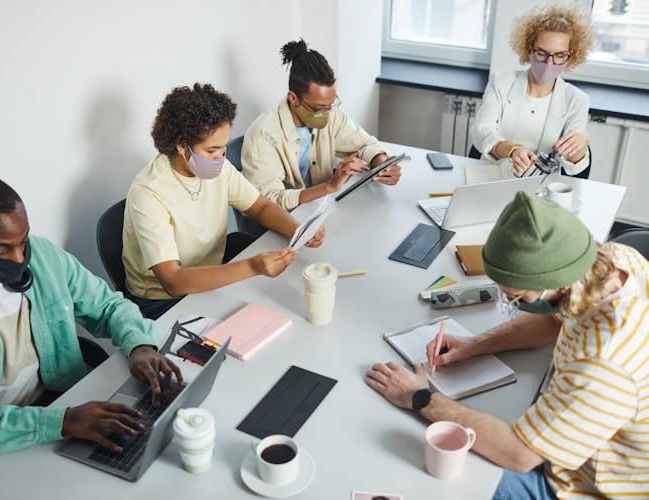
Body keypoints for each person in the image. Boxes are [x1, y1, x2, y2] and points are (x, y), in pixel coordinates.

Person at [366, 191, 649, 498]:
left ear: (560, 282)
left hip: (581, 485)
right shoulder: (614, 258)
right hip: (574, 432)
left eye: (517, 297)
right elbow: (556, 319)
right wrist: (475, 344)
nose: (510, 303)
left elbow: (520, 454)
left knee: (435, 469)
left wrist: (421, 398)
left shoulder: (603, 363)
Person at [0, 176, 182, 483]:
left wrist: (140, 346)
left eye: (23, 242)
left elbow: (109, 306)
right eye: (1, 250)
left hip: (62, 404)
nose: (20, 260)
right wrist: (62, 422)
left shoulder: (45, 256)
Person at [123, 83, 324, 320]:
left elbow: (259, 206)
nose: (220, 156)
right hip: (163, 302)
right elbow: (173, 281)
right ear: (181, 146)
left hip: (209, 275)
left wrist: (299, 231)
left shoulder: (217, 167)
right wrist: (252, 267)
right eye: (211, 150)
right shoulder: (148, 193)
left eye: (224, 148)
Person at [241, 39, 402, 211]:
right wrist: (329, 187)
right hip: (285, 222)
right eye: (319, 108)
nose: (327, 113)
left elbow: (365, 144)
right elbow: (268, 201)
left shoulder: (332, 115)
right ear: (293, 98)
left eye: (330, 105)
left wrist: (383, 165)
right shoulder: (263, 134)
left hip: (322, 209)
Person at [470, 3, 594, 178]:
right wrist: (512, 150)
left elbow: (575, 168)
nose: (549, 63)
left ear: (570, 56)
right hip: (495, 176)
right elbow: (482, 130)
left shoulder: (577, 99)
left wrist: (580, 143)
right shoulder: (501, 82)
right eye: (542, 53)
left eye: (559, 55)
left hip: (541, 186)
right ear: (529, 49)